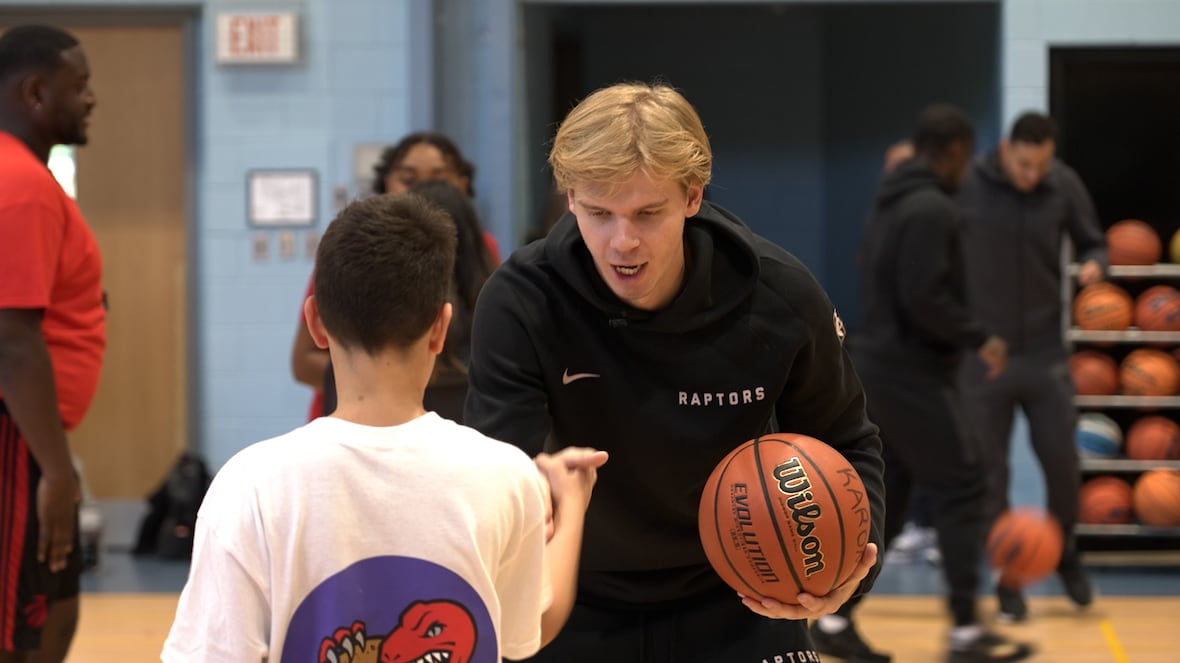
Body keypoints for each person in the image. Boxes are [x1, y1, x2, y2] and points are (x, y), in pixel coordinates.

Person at [463, 81, 884, 663]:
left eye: (647, 212)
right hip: (573, 600)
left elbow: (846, 439)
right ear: (569, 199)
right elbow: (497, 482)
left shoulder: (780, 296)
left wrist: (849, 571)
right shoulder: (520, 301)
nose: (622, 241)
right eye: (598, 213)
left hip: (742, 593)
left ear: (692, 196)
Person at [162, 193, 607, 661]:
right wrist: (572, 498)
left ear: (315, 322)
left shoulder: (248, 484)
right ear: (441, 328)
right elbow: (533, 624)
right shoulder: (505, 475)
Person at [814, 103, 1031, 663]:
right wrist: (980, 336)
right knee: (963, 486)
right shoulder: (931, 207)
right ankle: (965, 633)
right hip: (911, 375)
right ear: (955, 149)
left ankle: (834, 620)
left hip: (873, 369)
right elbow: (925, 297)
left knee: (891, 501)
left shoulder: (888, 204)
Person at [957, 111, 1104, 622]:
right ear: (1005, 149)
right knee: (990, 476)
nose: (1031, 176)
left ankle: (1066, 555)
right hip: (984, 359)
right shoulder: (968, 183)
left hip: (1045, 354)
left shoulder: (1063, 184)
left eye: (1040, 166)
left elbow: (1094, 241)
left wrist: (1095, 265)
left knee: (1063, 465)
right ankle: (1010, 577)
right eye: (1024, 164)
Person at [0, 24, 103, 663]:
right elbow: (11, 338)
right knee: (20, 634)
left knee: (56, 615)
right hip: (16, 437)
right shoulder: (21, 184)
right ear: (36, 91)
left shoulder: (25, 178)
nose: (92, 99)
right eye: (81, 86)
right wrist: (58, 471)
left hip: (32, 438)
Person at [290, 131, 498, 420]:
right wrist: (377, 381)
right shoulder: (347, 247)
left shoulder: (482, 248)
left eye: (438, 178)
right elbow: (303, 360)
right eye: (409, 179)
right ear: (386, 183)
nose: (423, 189)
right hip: (353, 421)